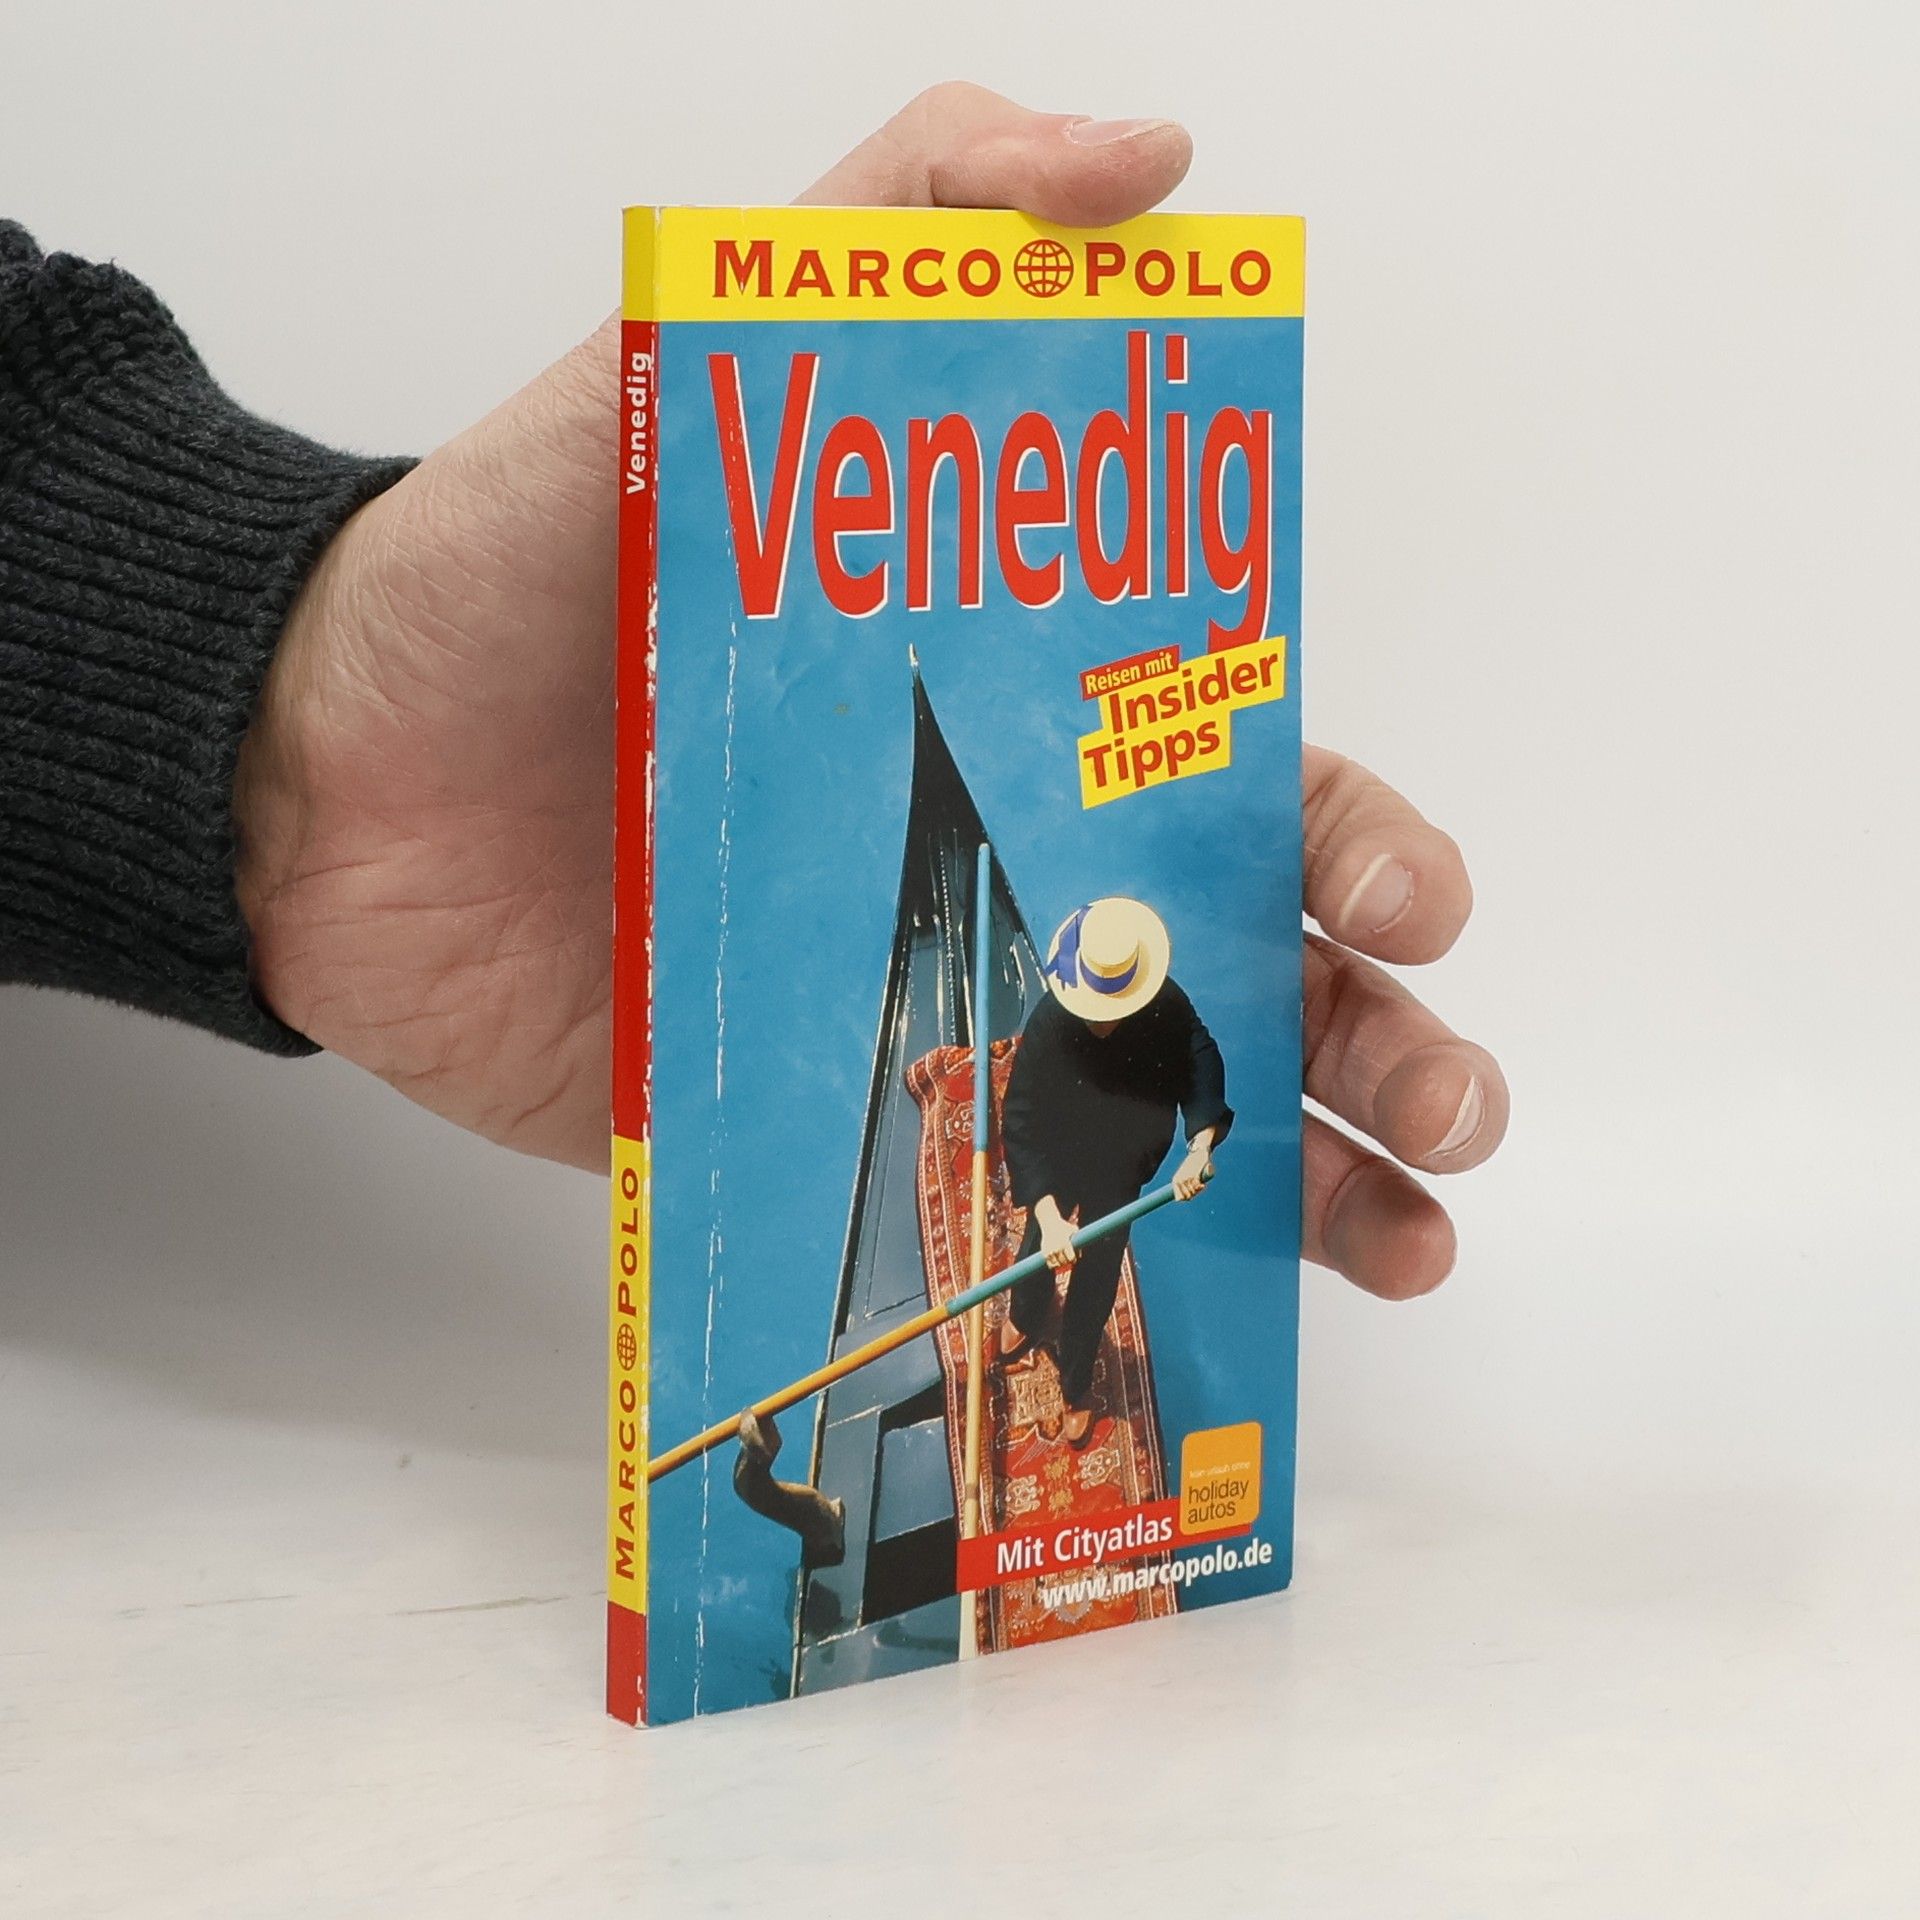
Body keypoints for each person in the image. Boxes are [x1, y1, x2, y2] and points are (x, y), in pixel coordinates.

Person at [0, 84, 1508, 1305]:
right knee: (1042, 1318)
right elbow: (1027, 1131)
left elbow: (1212, 1088)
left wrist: (301, 721)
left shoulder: (1171, 1015)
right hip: (1055, 1206)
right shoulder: (1048, 1044)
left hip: (1122, 1198)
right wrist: (1048, 1215)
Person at [1001, 898, 1230, 1448]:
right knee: (1037, 1247)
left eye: (1114, 1007)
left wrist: (1199, 1147)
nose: (1101, 1019)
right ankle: (1027, 1314)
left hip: (1122, 1160)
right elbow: (1021, 1119)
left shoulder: (1166, 1004)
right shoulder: (1050, 1021)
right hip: (1059, 1150)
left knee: (1100, 1269)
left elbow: (1200, 1056)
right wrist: (1050, 1219)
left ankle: (1076, 1378)